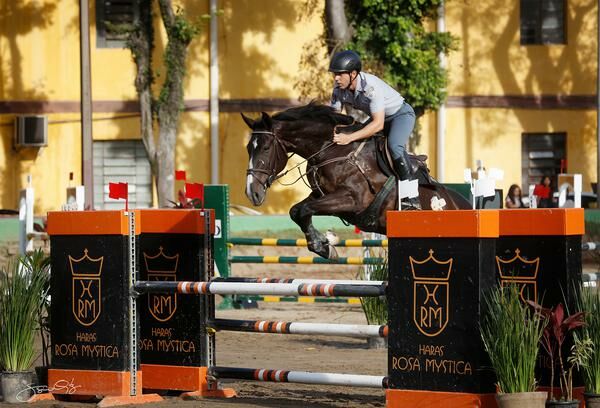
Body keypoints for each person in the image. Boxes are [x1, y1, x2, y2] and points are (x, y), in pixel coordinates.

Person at [328, 50, 419, 209]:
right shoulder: (338, 90)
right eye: (335, 74)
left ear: (353, 74)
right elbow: (333, 118)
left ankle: (412, 197)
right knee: (359, 142)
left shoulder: (371, 87)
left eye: (340, 74)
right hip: (380, 117)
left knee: (394, 146)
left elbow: (378, 125)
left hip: (400, 115)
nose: (336, 78)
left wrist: (348, 137)